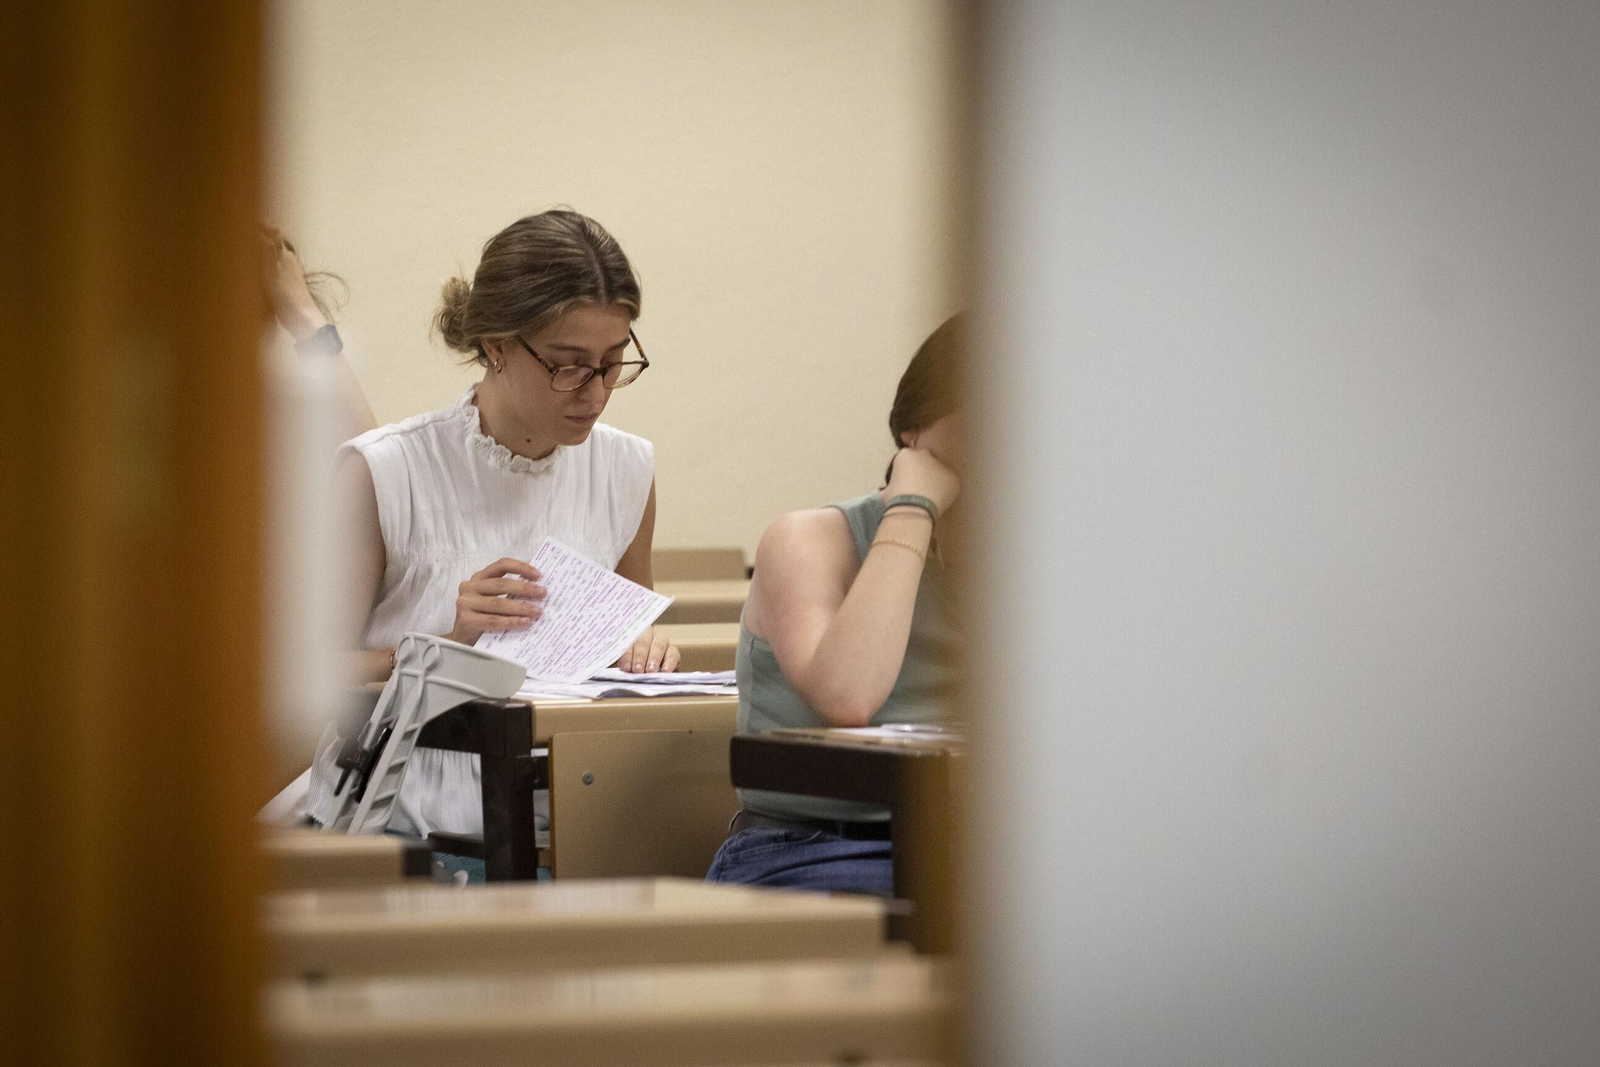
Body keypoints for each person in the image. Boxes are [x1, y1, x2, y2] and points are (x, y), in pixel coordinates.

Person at [300, 209, 677, 868]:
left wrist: (637, 650)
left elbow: (621, 646)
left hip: (569, 803)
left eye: (613, 364)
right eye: (568, 366)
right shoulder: (386, 467)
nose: (594, 393)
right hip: (407, 810)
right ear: (497, 344)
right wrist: (446, 646)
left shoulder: (627, 468)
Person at [706, 315, 966, 895]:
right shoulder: (808, 540)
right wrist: (913, 508)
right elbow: (848, 695)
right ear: (913, 430)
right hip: (815, 849)